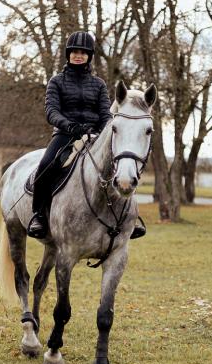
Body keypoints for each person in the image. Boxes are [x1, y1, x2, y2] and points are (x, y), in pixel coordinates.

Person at [27, 31, 146, 240]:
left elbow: (105, 114)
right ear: (68, 54)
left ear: (89, 56)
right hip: (66, 135)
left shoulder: (98, 84)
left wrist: (100, 131)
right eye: (74, 52)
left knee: (121, 164)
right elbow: (51, 111)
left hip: (95, 136)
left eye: (83, 52)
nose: (78, 55)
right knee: (47, 165)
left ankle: (131, 217)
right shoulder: (56, 81)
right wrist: (69, 126)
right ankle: (38, 215)